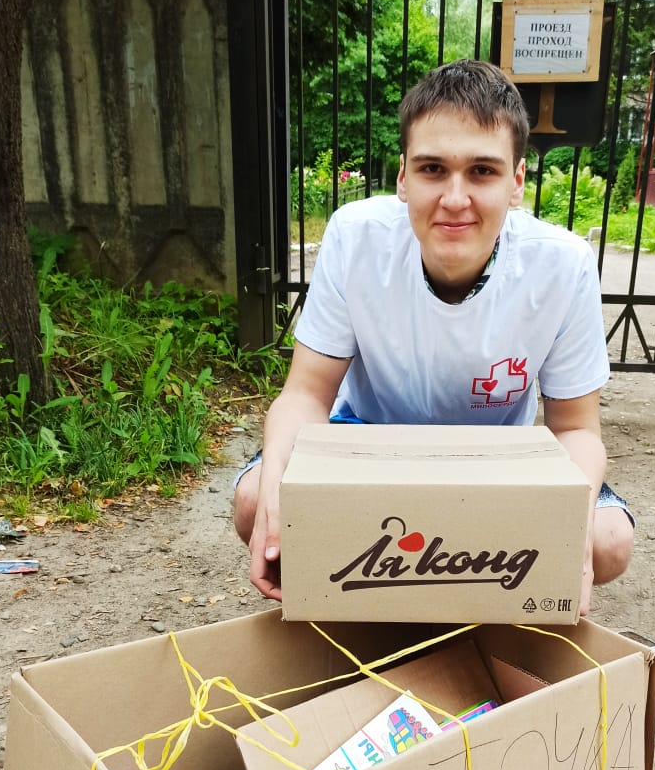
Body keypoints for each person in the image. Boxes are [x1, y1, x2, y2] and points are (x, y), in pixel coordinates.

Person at [233, 58, 634, 612]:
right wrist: (278, 485)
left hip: (497, 459)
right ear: (403, 177)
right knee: (255, 500)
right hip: (365, 440)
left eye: (482, 171)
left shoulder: (562, 265)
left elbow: (576, 429)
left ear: (517, 182)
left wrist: (573, 530)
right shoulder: (356, 238)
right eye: (432, 169)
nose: (454, 198)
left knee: (608, 541)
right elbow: (305, 394)